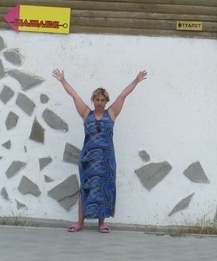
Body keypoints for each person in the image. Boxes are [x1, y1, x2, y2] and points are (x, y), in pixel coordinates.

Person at [53, 68, 147, 233]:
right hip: (88, 160)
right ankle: (80, 222)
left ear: (106, 101)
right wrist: (63, 81)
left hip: (106, 159)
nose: (99, 102)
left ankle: (101, 223)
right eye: (97, 99)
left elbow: (123, 96)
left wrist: (136, 80)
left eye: (102, 100)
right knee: (85, 189)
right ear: (93, 100)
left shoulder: (112, 113)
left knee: (104, 188)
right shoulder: (85, 113)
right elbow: (74, 96)